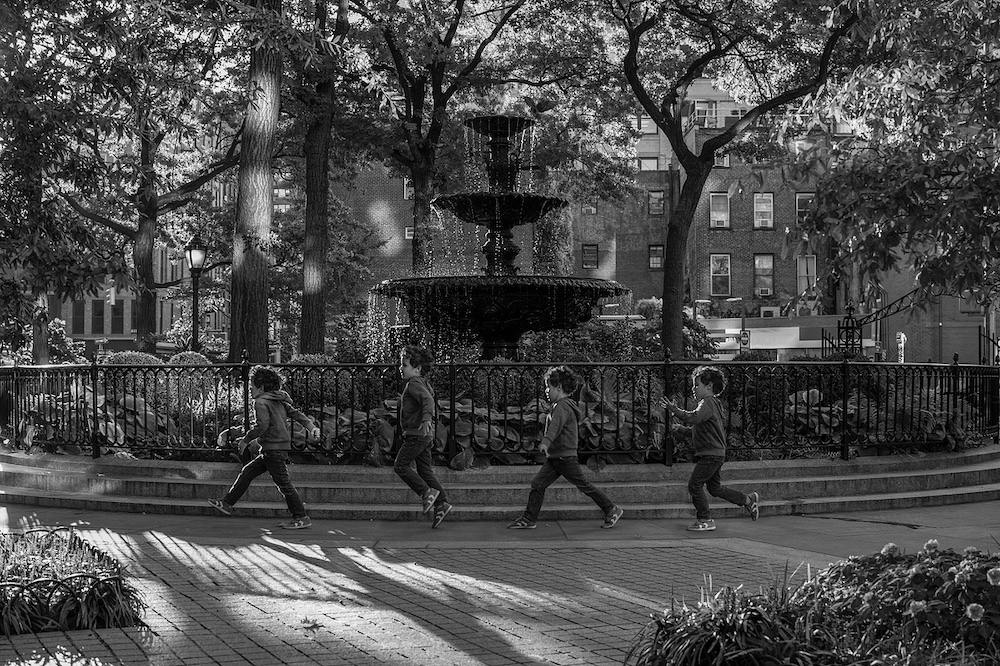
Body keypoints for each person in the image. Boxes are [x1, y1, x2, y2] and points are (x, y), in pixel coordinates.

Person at [508, 365, 624, 530]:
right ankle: (529, 518)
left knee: (583, 485)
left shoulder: (562, 407)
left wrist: (545, 443)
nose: (547, 391)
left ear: (559, 387)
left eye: (549, 387)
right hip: (556, 457)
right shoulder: (561, 406)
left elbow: (555, 426)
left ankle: (611, 508)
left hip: (565, 457)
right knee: (538, 484)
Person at [209, 366, 319, 529]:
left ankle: (301, 516)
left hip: (273, 450)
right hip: (272, 450)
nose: (250, 390)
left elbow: (262, 426)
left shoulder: (260, 402)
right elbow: (296, 414)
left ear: (261, 387)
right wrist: (312, 427)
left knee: (284, 484)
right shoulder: (278, 399)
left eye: (251, 386)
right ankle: (227, 503)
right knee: (247, 472)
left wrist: (246, 439)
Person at [661, 365, 759, 532]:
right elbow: (701, 431)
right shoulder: (713, 404)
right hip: (716, 453)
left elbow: (694, 417)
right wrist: (682, 430)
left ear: (709, 386)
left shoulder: (707, 403)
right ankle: (748, 500)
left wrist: (674, 410)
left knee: (694, 485)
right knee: (714, 488)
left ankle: (705, 519)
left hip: (711, 455)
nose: (693, 389)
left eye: (696, 385)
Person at [394, 345, 452, 528]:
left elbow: (427, 401)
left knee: (400, 466)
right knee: (425, 471)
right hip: (425, 435)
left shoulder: (414, 384)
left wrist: (426, 419)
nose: (400, 368)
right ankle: (442, 504)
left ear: (417, 369)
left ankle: (426, 493)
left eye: (404, 365)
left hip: (417, 435)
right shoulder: (422, 383)